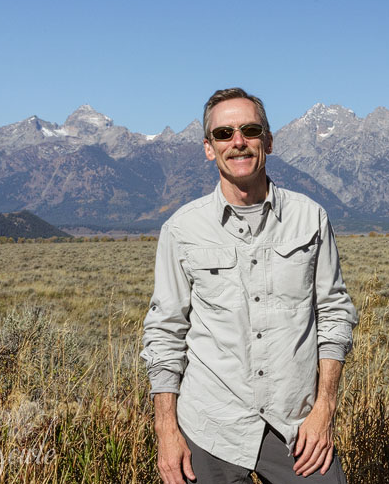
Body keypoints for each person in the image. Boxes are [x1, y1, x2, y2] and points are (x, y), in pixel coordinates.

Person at [141, 87, 358, 484]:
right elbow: (164, 333)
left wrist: (325, 410)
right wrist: (166, 430)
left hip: (297, 426)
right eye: (223, 134)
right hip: (210, 426)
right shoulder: (182, 230)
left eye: (250, 130)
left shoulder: (311, 219)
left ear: (268, 141)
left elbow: (335, 315)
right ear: (209, 148)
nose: (237, 142)